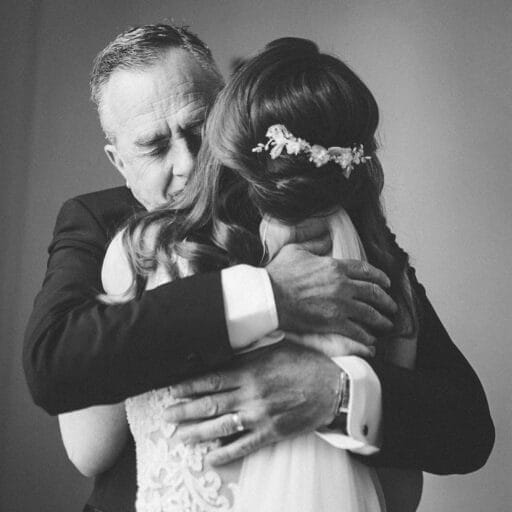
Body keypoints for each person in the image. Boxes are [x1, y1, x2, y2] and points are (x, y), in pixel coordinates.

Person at [58, 37, 495, 512]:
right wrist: (267, 296)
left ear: (227, 117)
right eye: (154, 145)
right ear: (118, 160)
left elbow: (465, 429)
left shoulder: (141, 250)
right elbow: (401, 496)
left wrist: (335, 393)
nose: (186, 163)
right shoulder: (103, 228)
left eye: (198, 129)